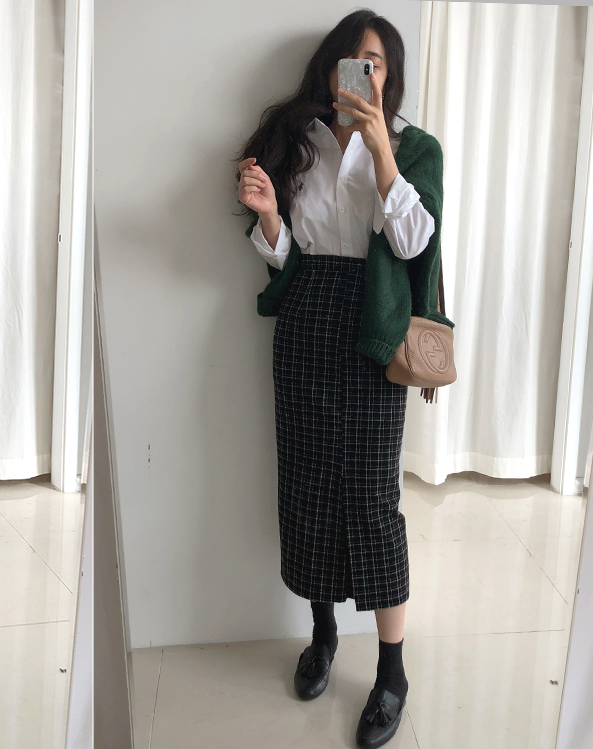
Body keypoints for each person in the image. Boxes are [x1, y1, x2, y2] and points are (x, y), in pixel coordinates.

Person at [236, 9, 448, 748]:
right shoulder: (299, 138)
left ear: (390, 77)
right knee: (308, 483)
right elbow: (286, 254)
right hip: (305, 318)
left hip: (374, 328)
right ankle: (323, 634)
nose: (362, 72)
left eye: (375, 62)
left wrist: (381, 146)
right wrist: (269, 216)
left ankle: (391, 671)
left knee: (373, 496)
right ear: (329, 68)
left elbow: (416, 243)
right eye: (350, 60)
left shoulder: (417, 147)